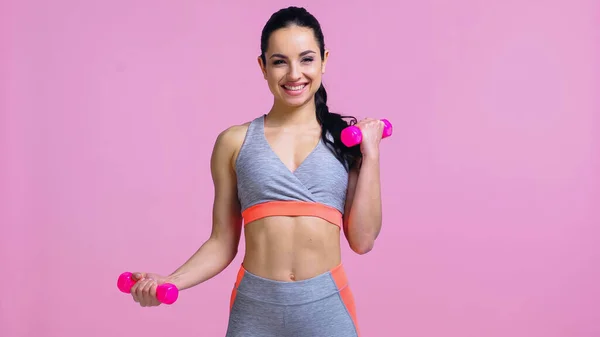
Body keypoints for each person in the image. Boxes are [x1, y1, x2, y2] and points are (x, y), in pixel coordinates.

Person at [127, 6, 384, 337]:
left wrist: (371, 154)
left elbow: (363, 241)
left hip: (327, 308)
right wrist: (170, 281)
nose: (295, 74)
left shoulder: (346, 143)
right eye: (280, 61)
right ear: (263, 66)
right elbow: (222, 242)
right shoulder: (233, 142)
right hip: (255, 311)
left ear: (324, 60)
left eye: (306, 59)